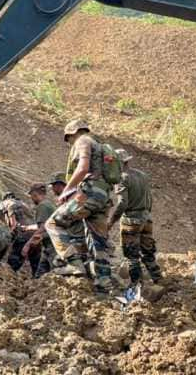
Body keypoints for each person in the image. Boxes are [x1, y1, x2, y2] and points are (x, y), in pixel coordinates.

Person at [44, 119, 113, 295]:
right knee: (99, 241)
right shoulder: (99, 145)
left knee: (53, 223)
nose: (69, 143)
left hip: (88, 193)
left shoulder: (83, 140)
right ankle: (103, 286)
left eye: (68, 139)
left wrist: (66, 192)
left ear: (73, 133)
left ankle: (72, 263)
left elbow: (82, 169)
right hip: (104, 197)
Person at [107, 149, 162, 287]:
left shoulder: (121, 178)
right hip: (146, 218)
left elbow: (122, 203)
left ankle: (137, 286)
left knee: (131, 255)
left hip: (131, 220)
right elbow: (150, 198)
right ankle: (158, 279)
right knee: (148, 252)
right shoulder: (142, 175)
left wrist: (111, 221)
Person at [22, 183, 58, 278]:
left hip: (53, 246)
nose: (31, 198)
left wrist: (27, 245)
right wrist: (26, 228)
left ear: (34, 194)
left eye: (31, 196)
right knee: (40, 275)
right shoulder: (49, 204)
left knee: (58, 274)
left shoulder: (42, 206)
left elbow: (42, 228)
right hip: (49, 246)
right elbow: (44, 225)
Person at [2, 192, 35, 272]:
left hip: (23, 233)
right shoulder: (23, 204)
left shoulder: (8, 204)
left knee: (14, 258)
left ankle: (9, 275)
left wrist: (10, 238)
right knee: (33, 259)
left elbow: (13, 224)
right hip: (34, 232)